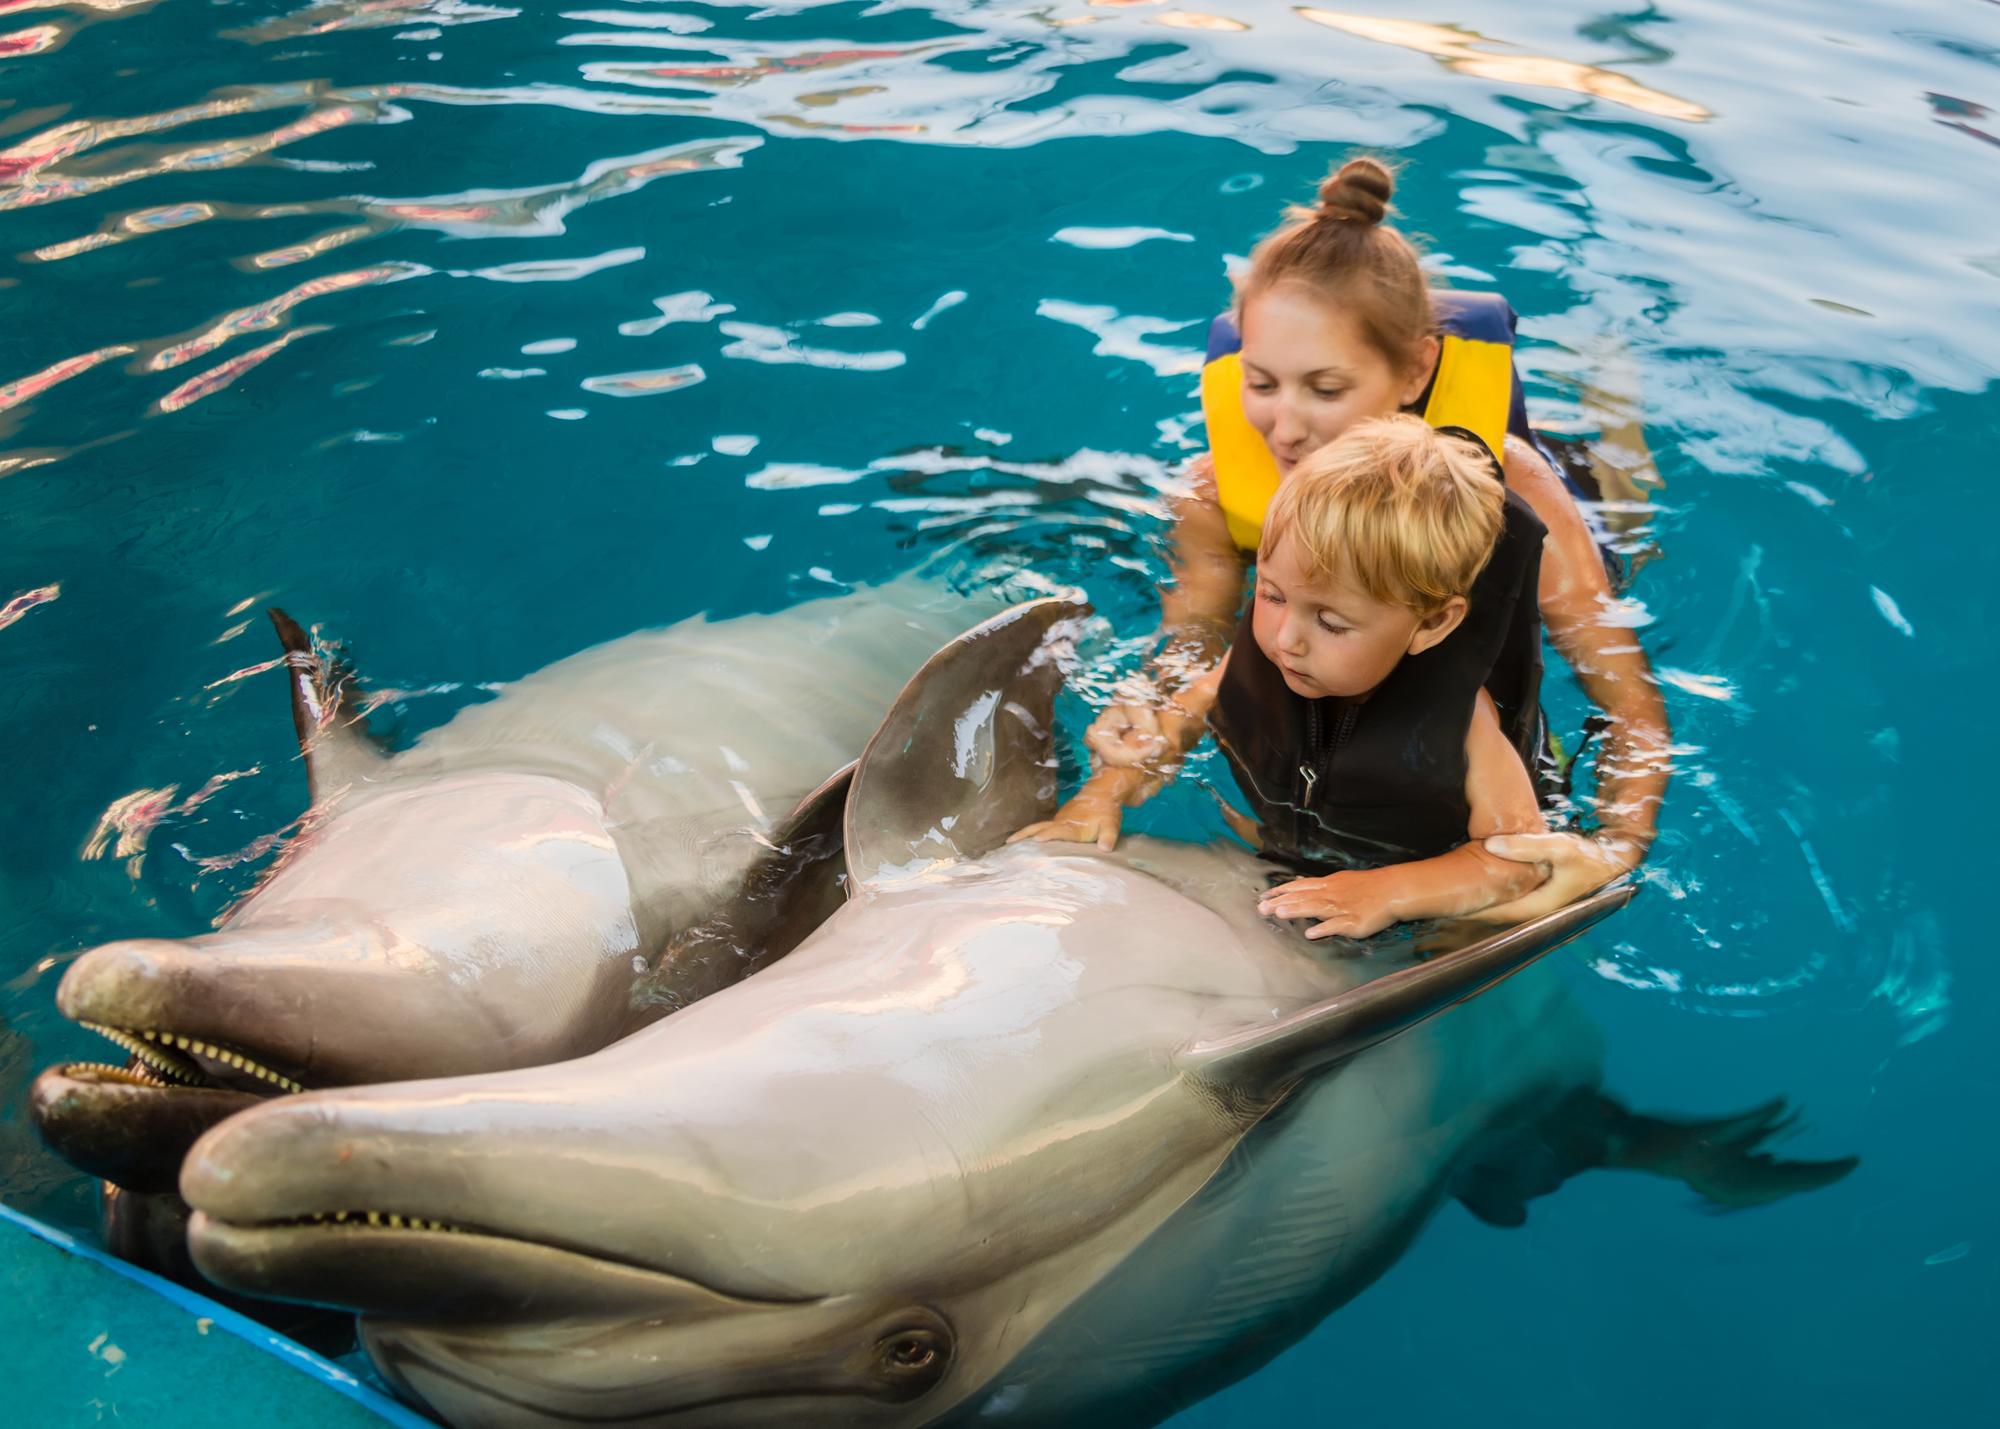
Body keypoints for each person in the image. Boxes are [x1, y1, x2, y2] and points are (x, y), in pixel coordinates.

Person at [1084, 156, 1669, 921]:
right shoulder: (1213, 491)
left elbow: (1630, 705)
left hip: (1557, 489)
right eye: (1260, 383)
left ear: (1415, 367)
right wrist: (1141, 706)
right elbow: (1193, 640)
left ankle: (1613, 399)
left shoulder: (1510, 489)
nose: (1285, 430)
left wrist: (1614, 846)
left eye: (1326, 389)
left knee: (1632, 514)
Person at [1014, 417, 1548, 938]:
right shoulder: (1266, 651)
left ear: (1431, 623)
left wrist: (1390, 892)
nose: (1285, 638)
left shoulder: (1466, 723)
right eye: (1271, 594)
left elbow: (1519, 862)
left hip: (1397, 875)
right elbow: (1175, 723)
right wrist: (1102, 795)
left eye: (1331, 622)